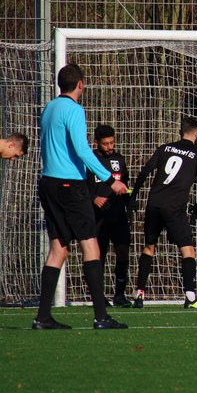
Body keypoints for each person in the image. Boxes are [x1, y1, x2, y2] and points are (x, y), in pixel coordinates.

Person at [33, 63, 129, 330]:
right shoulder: (74, 109)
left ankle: (43, 317)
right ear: (80, 85)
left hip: (48, 183)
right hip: (70, 186)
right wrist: (110, 180)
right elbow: (83, 150)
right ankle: (101, 316)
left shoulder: (49, 108)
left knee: (59, 249)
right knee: (91, 245)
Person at [129, 116, 197, 309]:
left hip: (154, 204)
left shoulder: (165, 148)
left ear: (180, 132)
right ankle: (190, 297)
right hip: (174, 208)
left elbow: (145, 171)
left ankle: (139, 294)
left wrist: (133, 197)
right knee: (188, 250)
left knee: (149, 247)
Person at [86, 124, 133, 308]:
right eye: (105, 144)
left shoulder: (119, 159)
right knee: (99, 255)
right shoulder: (89, 160)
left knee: (123, 251)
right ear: (96, 143)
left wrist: (130, 203)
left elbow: (124, 185)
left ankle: (120, 295)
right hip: (97, 217)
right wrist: (94, 198)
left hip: (118, 215)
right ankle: (99, 296)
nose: (109, 147)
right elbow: (80, 187)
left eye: (112, 143)